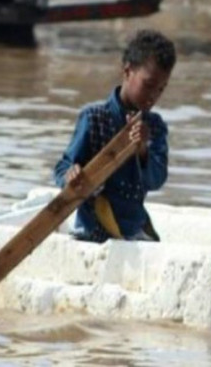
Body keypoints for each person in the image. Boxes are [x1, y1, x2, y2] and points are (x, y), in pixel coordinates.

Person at [53, 29, 175, 242]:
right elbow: (62, 168)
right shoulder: (93, 118)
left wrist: (143, 150)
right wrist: (71, 176)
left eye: (161, 90)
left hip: (133, 230)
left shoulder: (154, 127)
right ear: (127, 71)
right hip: (92, 231)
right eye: (148, 86)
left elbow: (156, 180)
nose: (153, 96)